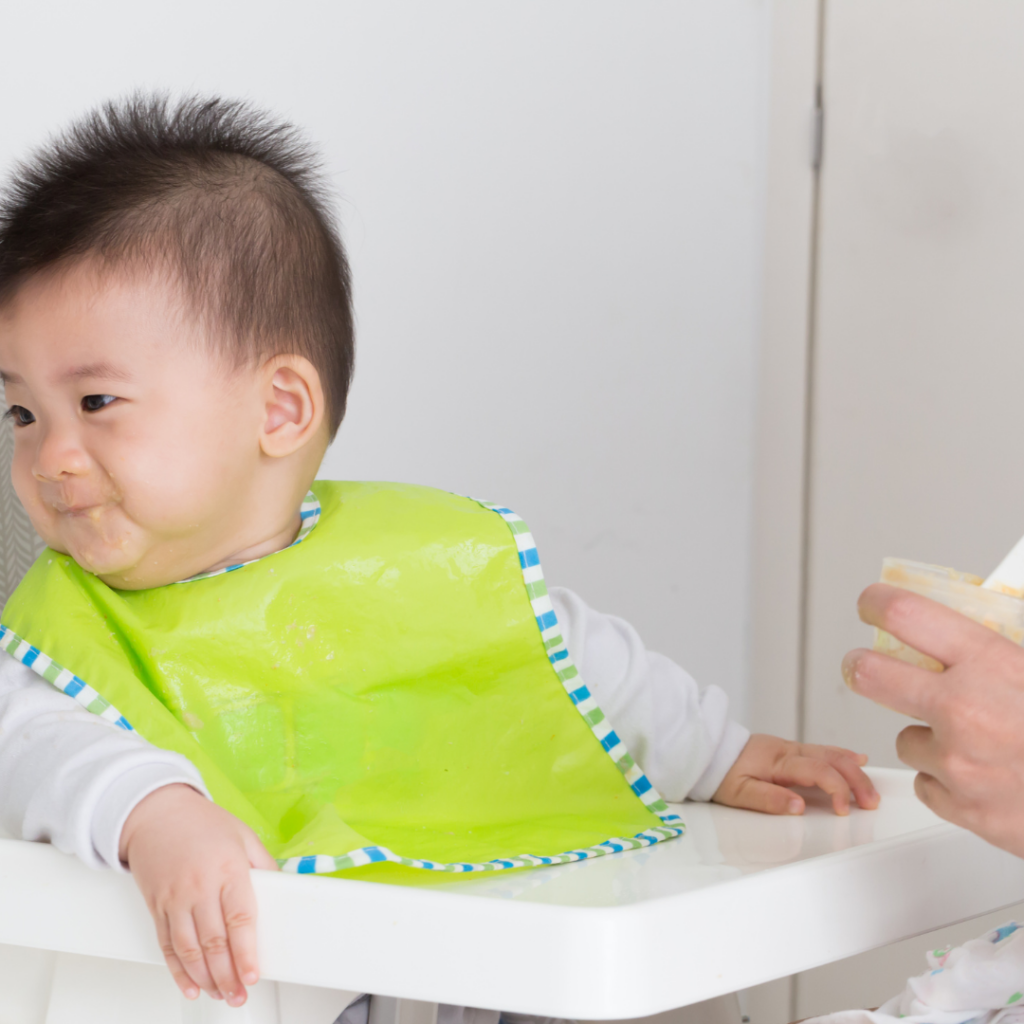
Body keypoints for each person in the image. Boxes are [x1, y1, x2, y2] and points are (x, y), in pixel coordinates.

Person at [0, 94, 878, 1017]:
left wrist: (716, 754)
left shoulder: (414, 562)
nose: (48, 456)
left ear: (280, 410)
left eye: (96, 403)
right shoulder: (61, 635)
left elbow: (552, 661)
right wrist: (156, 815)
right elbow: (33, 747)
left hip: (443, 964)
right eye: (21, 413)